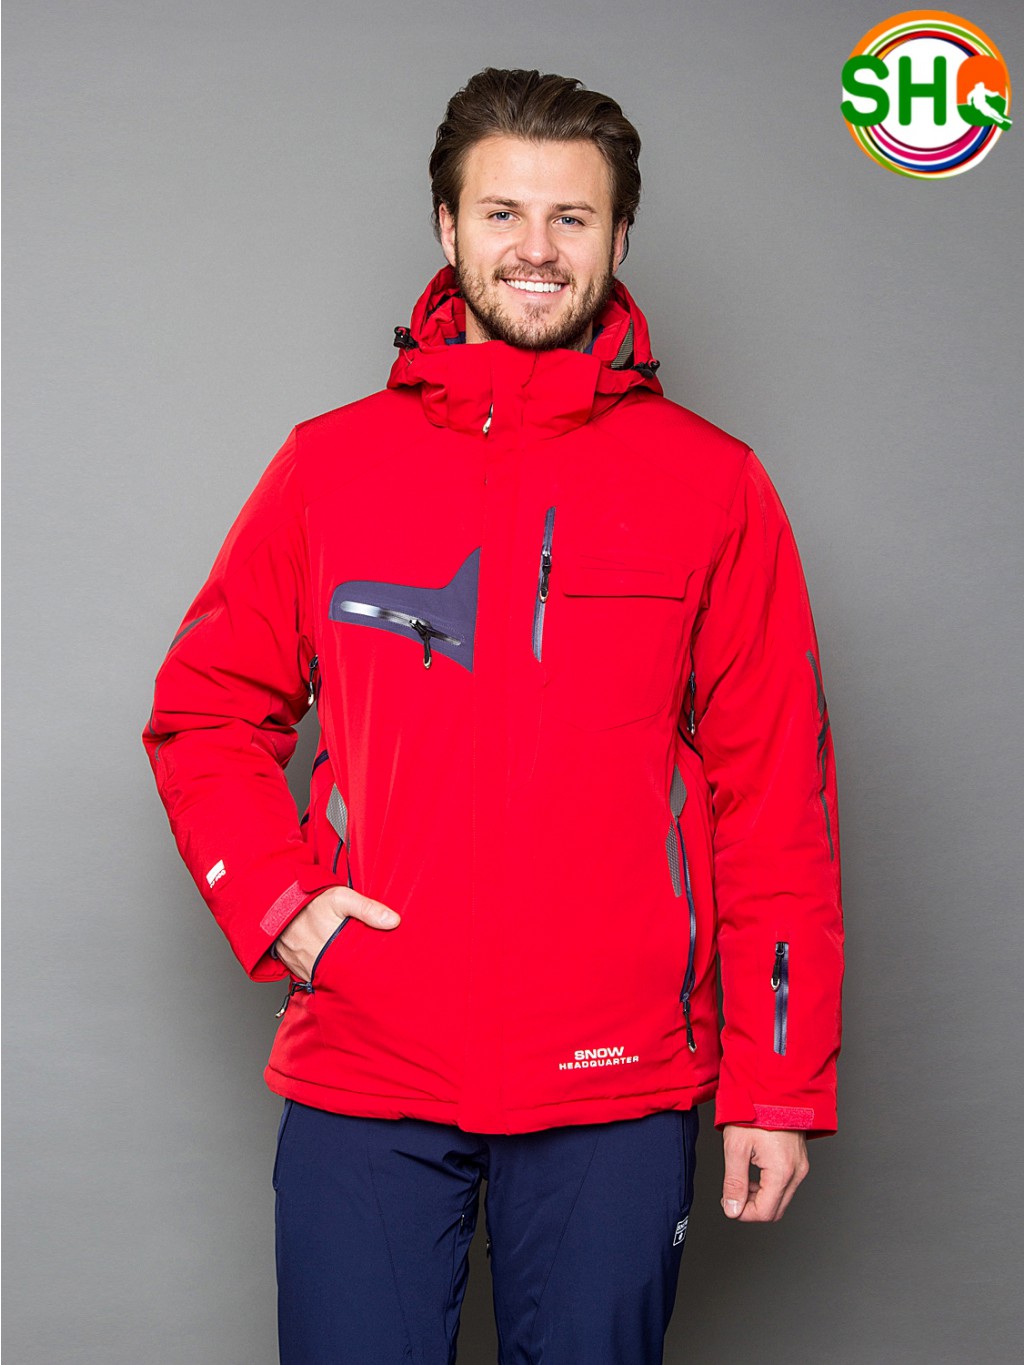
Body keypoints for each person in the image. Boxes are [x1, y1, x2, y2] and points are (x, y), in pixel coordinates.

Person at [144, 67, 844, 1365]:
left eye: (571, 217)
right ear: (447, 226)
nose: (536, 248)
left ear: (620, 235)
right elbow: (205, 712)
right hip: (369, 1058)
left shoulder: (713, 487)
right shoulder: (330, 468)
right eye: (503, 212)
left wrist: (779, 1083)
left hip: (616, 1075)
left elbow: (774, 801)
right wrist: (280, 901)